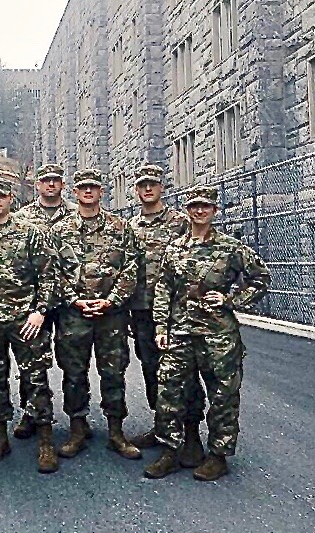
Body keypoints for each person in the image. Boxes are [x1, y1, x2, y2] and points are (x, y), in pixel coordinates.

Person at [145, 185, 270, 481]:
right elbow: (163, 288)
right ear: (187, 211)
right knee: (171, 391)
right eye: (194, 206)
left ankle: (218, 455)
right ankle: (171, 449)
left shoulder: (231, 248)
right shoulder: (175, 247)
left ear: (214, 210)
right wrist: (161, 326)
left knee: (223, 395)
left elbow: (261, 278)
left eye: (205, 206)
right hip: (181, 332)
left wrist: (230, 300)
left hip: (218, 336)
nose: (199, 211)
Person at [0, 177, 58, 474]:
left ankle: (45, 440)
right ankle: (0, 436)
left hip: (25, 320)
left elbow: (48, 274)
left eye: (1, 196)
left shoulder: (30, 233)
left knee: (36, 378)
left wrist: (40, 311)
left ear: (10, 199)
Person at [51, 169, 142, 460]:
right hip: (74, 316)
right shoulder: (60, 230)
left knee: (113, 372)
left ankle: (116, 431)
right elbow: (52, 272)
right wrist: (74, 299)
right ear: (74, 193)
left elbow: (131, 267)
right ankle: (77, 428)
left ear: (101, 192)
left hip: (111, 315)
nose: (88, 192)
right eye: (82, 188)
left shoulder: (121, 227)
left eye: (93, 187)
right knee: (74, 373)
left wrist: (112, 300)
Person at [127, 164, 207, 470]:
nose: (148, 189)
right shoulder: (130, 227)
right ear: (136, 190)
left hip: (178, 312)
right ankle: (162, 427)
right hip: (142, 311)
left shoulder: (180, 223)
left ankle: (190, 434)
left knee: (183, 372)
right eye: (142, 184)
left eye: (153, 184)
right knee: (151, 369)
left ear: (162, 187)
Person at [13, 162, 77, 439]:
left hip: (70, 299)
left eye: (55, 180)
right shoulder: (23, 218)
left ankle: (78, 417)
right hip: (34, 299)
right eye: (45, 180)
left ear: (62, 184)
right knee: (31, 360)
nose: (51, 184)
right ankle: (31, 412)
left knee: (73, 360)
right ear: (37, 185)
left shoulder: (77, 214)